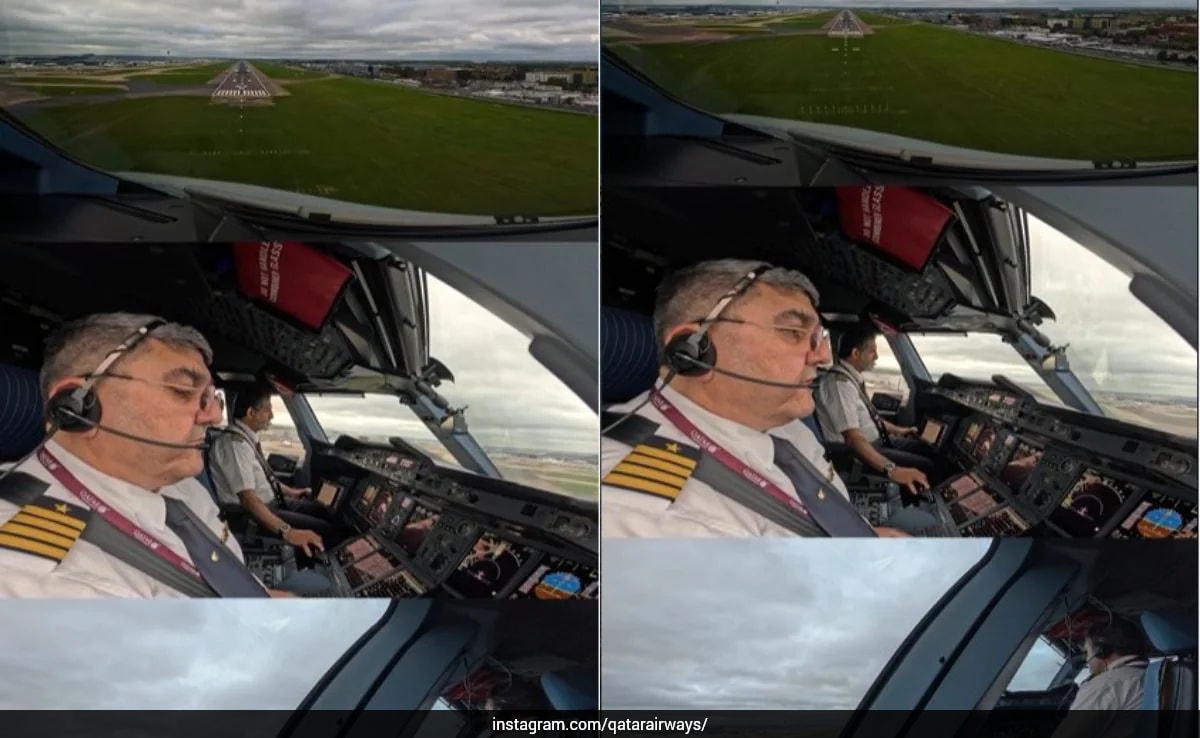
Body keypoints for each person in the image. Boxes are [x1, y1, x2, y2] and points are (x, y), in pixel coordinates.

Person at [601, 258, 926, 538]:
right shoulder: (650, 513)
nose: (824, 357)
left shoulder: (784, 424)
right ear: (693, 350)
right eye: (793, 332)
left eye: (819, 337)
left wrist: (862, 536)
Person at [0, 312, 301, 598]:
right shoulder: (33, 576)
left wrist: (260, 598)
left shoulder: (179, 485)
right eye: (183, 390)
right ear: (77, 407)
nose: (212, 416)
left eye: (210, 398)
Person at [207, 381, 342, 562]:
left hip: (274, 503)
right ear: (251, 413)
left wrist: (294, 492)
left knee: (323, 510)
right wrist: (288, 531)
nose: (271, 415)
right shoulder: (234, 445)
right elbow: (248, 499)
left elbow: (266, 479)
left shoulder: (245, 439)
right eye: (267, 410)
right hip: (254, 515)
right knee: (326, 529)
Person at [813, 325, 938, 492]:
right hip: (861, 453)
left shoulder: (850, 379)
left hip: (878, 441)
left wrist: (900, 430)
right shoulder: (839, 385)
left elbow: (872, 419)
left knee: (926, 447)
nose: (877, 356)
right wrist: (893, 470)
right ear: (856, 353)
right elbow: (853, 439)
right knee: (926, 466)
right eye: (872, 351)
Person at [1052, 618, 1148, 738]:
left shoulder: (1107, 684)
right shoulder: (1155, 676)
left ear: (1101, 651)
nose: (1087, 660)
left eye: (1087, 652)